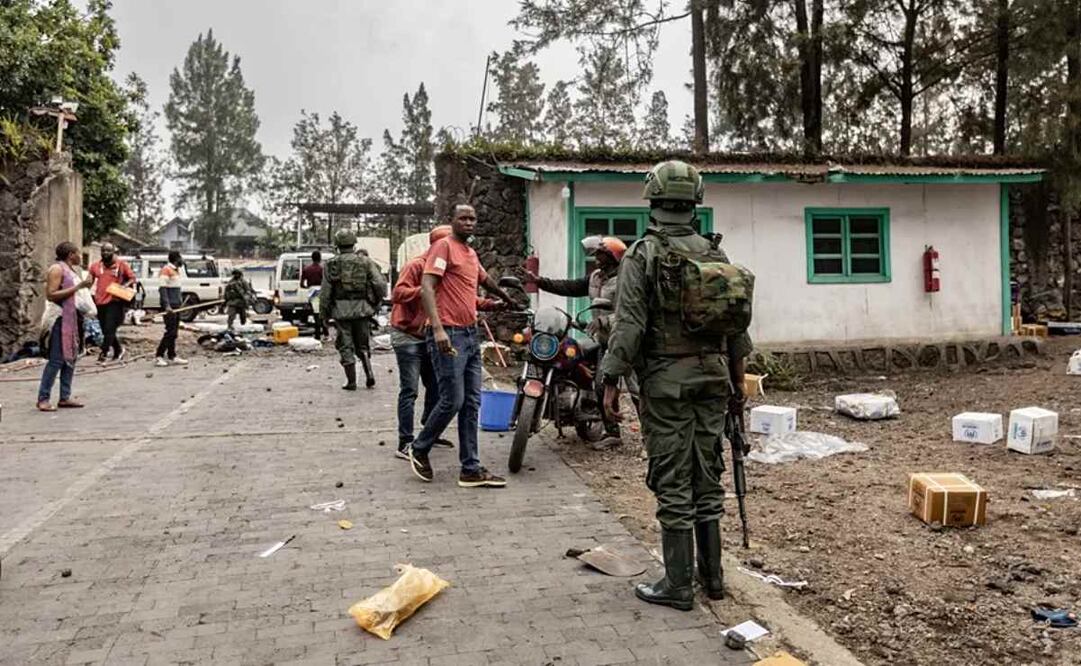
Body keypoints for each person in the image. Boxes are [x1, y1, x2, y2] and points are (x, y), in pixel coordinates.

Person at [601, 161, 753, 610]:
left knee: (672, 480)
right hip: (715, 380)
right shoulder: (714, 254)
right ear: (694, 201)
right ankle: (715, 580)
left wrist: (608, 379)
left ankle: (679, 586)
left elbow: (628, 327)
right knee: (707, 477)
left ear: (653, 198)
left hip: (667, 386)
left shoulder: (642, 254)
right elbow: (736, 329)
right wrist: (738, 382)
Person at [407, 203, 518, 488]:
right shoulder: (443, 247)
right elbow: (428, 287)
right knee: (452, 400)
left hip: (470, 334)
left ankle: (470, 468)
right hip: (449, 334)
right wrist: (439, 329)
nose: (469, 222)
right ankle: (419, 448)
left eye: (473, 218)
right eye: (463, 218)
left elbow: (485, 279)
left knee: (471, 403)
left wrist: (506, 299)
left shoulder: (470, 253)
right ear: (453, 221)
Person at [527, 235, 627, 447]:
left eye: (600, 254)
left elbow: (630, 311)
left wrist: (604, 320)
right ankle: (581, 405)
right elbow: (570, 287)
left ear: (612, 257)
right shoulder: (596, 277)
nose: (596, 257)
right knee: (570, 353)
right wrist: (540, 282)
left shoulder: (626, 280)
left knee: (620, 387)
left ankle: (621, 434)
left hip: (622, 340)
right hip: (601, 338)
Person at [321, 230, 386, 390]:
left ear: (337, 245)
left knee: (345, 345)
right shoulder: (366, 261)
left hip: (341, 311)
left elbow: (325, 293)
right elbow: (379, 284)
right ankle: (369, 373)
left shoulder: (331, 265)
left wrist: (324, 313)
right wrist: (376, 302)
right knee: (362, 344)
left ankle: (351, 381)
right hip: (363, 309)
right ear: (354, 243)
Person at [37, 241, 94, 411]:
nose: (80, 256)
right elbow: (51, 295)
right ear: (70, 255)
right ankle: (43, 398)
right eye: (78, 253)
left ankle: (64, 397)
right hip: (59, 319)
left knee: (70, 359)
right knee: (56, 360)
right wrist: (78, 287)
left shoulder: (71, 270)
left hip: (72, 318)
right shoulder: (57, 269)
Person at [88, 242, 136, 363]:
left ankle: (103, 353)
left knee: (110, 328)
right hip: (100, 301)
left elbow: (132, 278)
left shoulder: (121, 265)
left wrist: (124, 286)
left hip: (115, 301)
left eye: (108, 251)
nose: (105, 253)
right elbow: (89, 281)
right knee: (106, 330)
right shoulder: (95, 266)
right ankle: (118, 349)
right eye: (103, 251)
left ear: (113, 252)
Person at [155, 250, 189, 367]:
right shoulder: (166, 270)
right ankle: (159, 356)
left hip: (176, 306)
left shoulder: (176, 271)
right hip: (170, 307)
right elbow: (162, 289)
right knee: (170, 332)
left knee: (174, 333)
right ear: (176, 258)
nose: (182, 261)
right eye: (181, 258)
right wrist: (167, 306)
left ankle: (172, 355)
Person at [301, 250, 326, 339]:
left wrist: (307, 287)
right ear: (320, 259)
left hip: (312, 292)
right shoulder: (322, 269)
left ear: (312, 258)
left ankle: (319, 334)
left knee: (315, 314)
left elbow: (302, 284)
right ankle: (319, 335)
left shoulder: (306, 269)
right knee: (320, 314)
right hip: (321, 291)